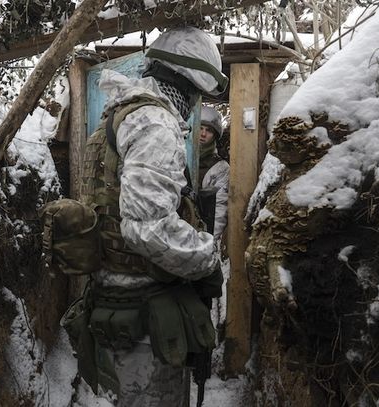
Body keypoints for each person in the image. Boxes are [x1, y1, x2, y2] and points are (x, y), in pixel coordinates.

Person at [75, 26, 228, 407]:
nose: (195, 104)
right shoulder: (154, 124)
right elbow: (148, 228)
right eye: (197, 95)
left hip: (114, 302)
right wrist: (206, 257)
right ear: (190, 85)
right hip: (142, 315)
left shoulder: (118, 115)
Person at [199, 106, 230, 241]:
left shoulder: (220, 168)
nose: (203, 134)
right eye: (200, 128)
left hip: (200, 232)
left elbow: (219, 210)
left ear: (215, 136)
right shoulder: (178, 154)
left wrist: (209, 243)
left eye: (209, 130)